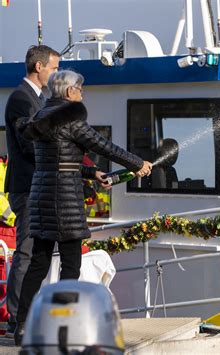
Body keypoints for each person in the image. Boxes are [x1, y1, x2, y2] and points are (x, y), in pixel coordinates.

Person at [14, 70, 153, 345]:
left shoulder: (41, 117)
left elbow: (59, 158)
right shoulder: (71, 118)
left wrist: (92, 175)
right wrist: (138, 163)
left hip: (42, 193)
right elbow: (105, 147)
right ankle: (62, 326)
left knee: (38, 264)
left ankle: (22, 327)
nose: (82, 94)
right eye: (80, 90)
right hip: (65, 197)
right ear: (69, 93)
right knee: (71, 264)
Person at [4, 45, 60, 337]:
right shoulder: (21, 99)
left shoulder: (39, 98)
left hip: (39, 185)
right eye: (53, 68)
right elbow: (30, 143)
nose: (56, 74)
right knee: (26, 252)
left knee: (36, 253)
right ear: (39, 67)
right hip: (27, 187)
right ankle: (17, 318)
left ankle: (25, 314)